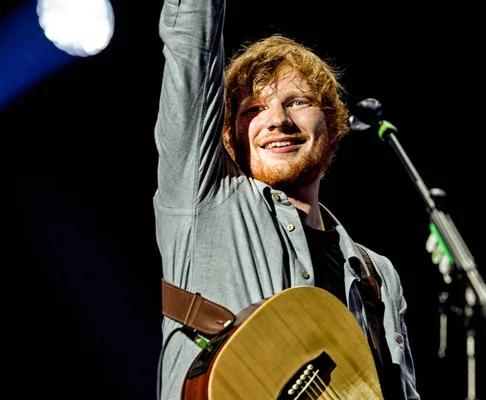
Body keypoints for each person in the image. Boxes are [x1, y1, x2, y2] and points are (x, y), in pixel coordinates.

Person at [153, 0, 420, 399]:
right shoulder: (204, 202)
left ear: (331, 125)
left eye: (297, 101)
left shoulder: (378, 276)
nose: (278, 119)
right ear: (229, 135)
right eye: (254, 109)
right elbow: (192, 45)